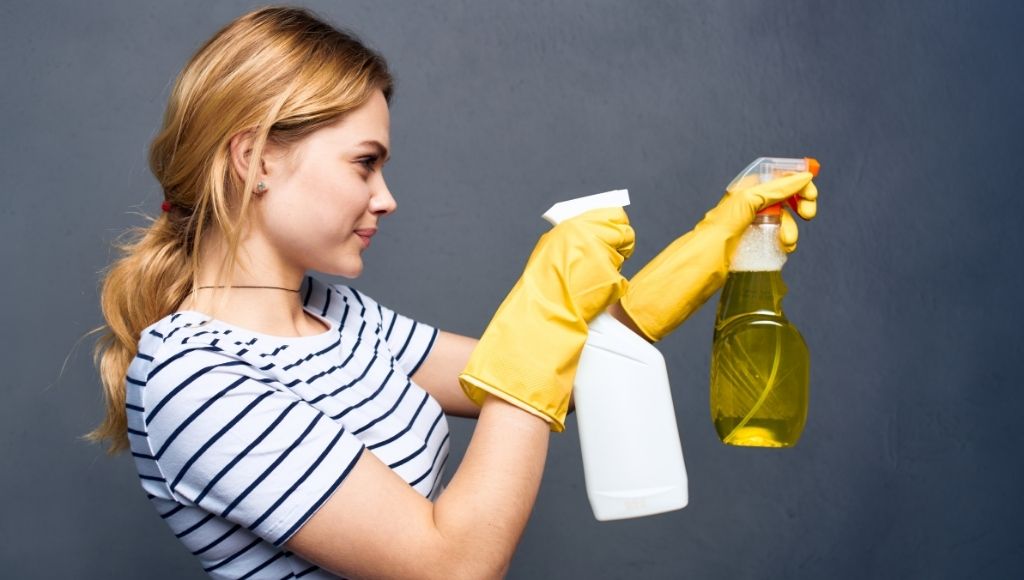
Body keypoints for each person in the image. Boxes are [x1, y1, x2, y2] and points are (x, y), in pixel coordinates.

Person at [89, 7, 818, 579]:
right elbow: (454, 564)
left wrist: (709, 250)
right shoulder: (190, 378)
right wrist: (545, 301)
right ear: (255, 159)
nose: (386, 198)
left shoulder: (336, 316)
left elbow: (553, 374)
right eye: (364, 164)